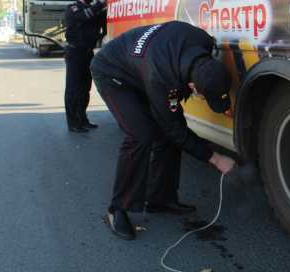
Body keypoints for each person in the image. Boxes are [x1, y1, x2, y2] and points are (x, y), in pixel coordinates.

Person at [90, 21, 237, 240]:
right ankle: (117, 209)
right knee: (141, 134)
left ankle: (161, 199)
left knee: (166, 134)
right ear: (192, 86)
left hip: (141, 67)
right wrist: (215, 158)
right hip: (112, 72)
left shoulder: (204, 42)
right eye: (206, 97)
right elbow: (175, 129)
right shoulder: (162, 77)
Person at [64, 0, 107, 133]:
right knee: (73, 89)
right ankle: (73, 123)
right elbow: (85, 16)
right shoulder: (73, 8)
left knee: (85, 88)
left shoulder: (93, 10)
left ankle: (83, 119)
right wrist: (101, 3)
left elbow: (102, 20)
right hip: (75, 53)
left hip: (88, 53)